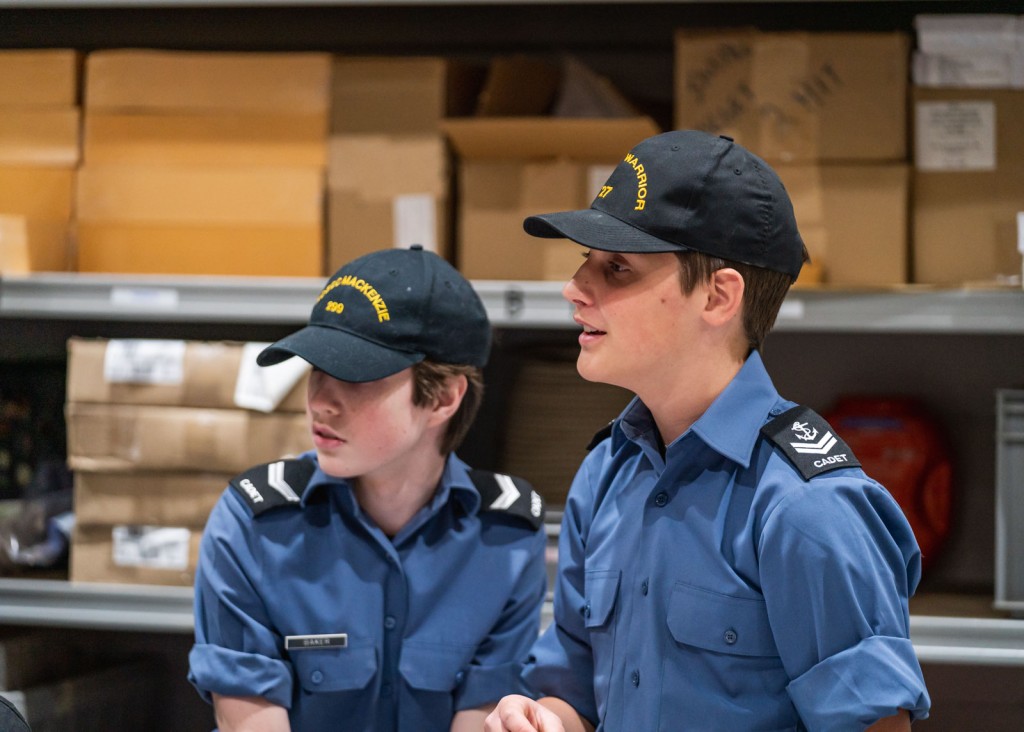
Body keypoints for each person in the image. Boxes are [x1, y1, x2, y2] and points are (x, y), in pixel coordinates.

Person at [485, 130, 931, 731]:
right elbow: (577, 691)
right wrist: (543, 719)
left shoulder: (806, 507)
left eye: (617, 267)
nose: (575, 289)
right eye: (584, 261)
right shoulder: (606, 474)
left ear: (719, 296)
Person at [188, 245, 547, 732]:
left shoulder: (506, 537)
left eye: (354, 376)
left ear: (442, 398)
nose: (320, 402)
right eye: (316, 369)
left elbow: (484, 714)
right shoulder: (253, 526)